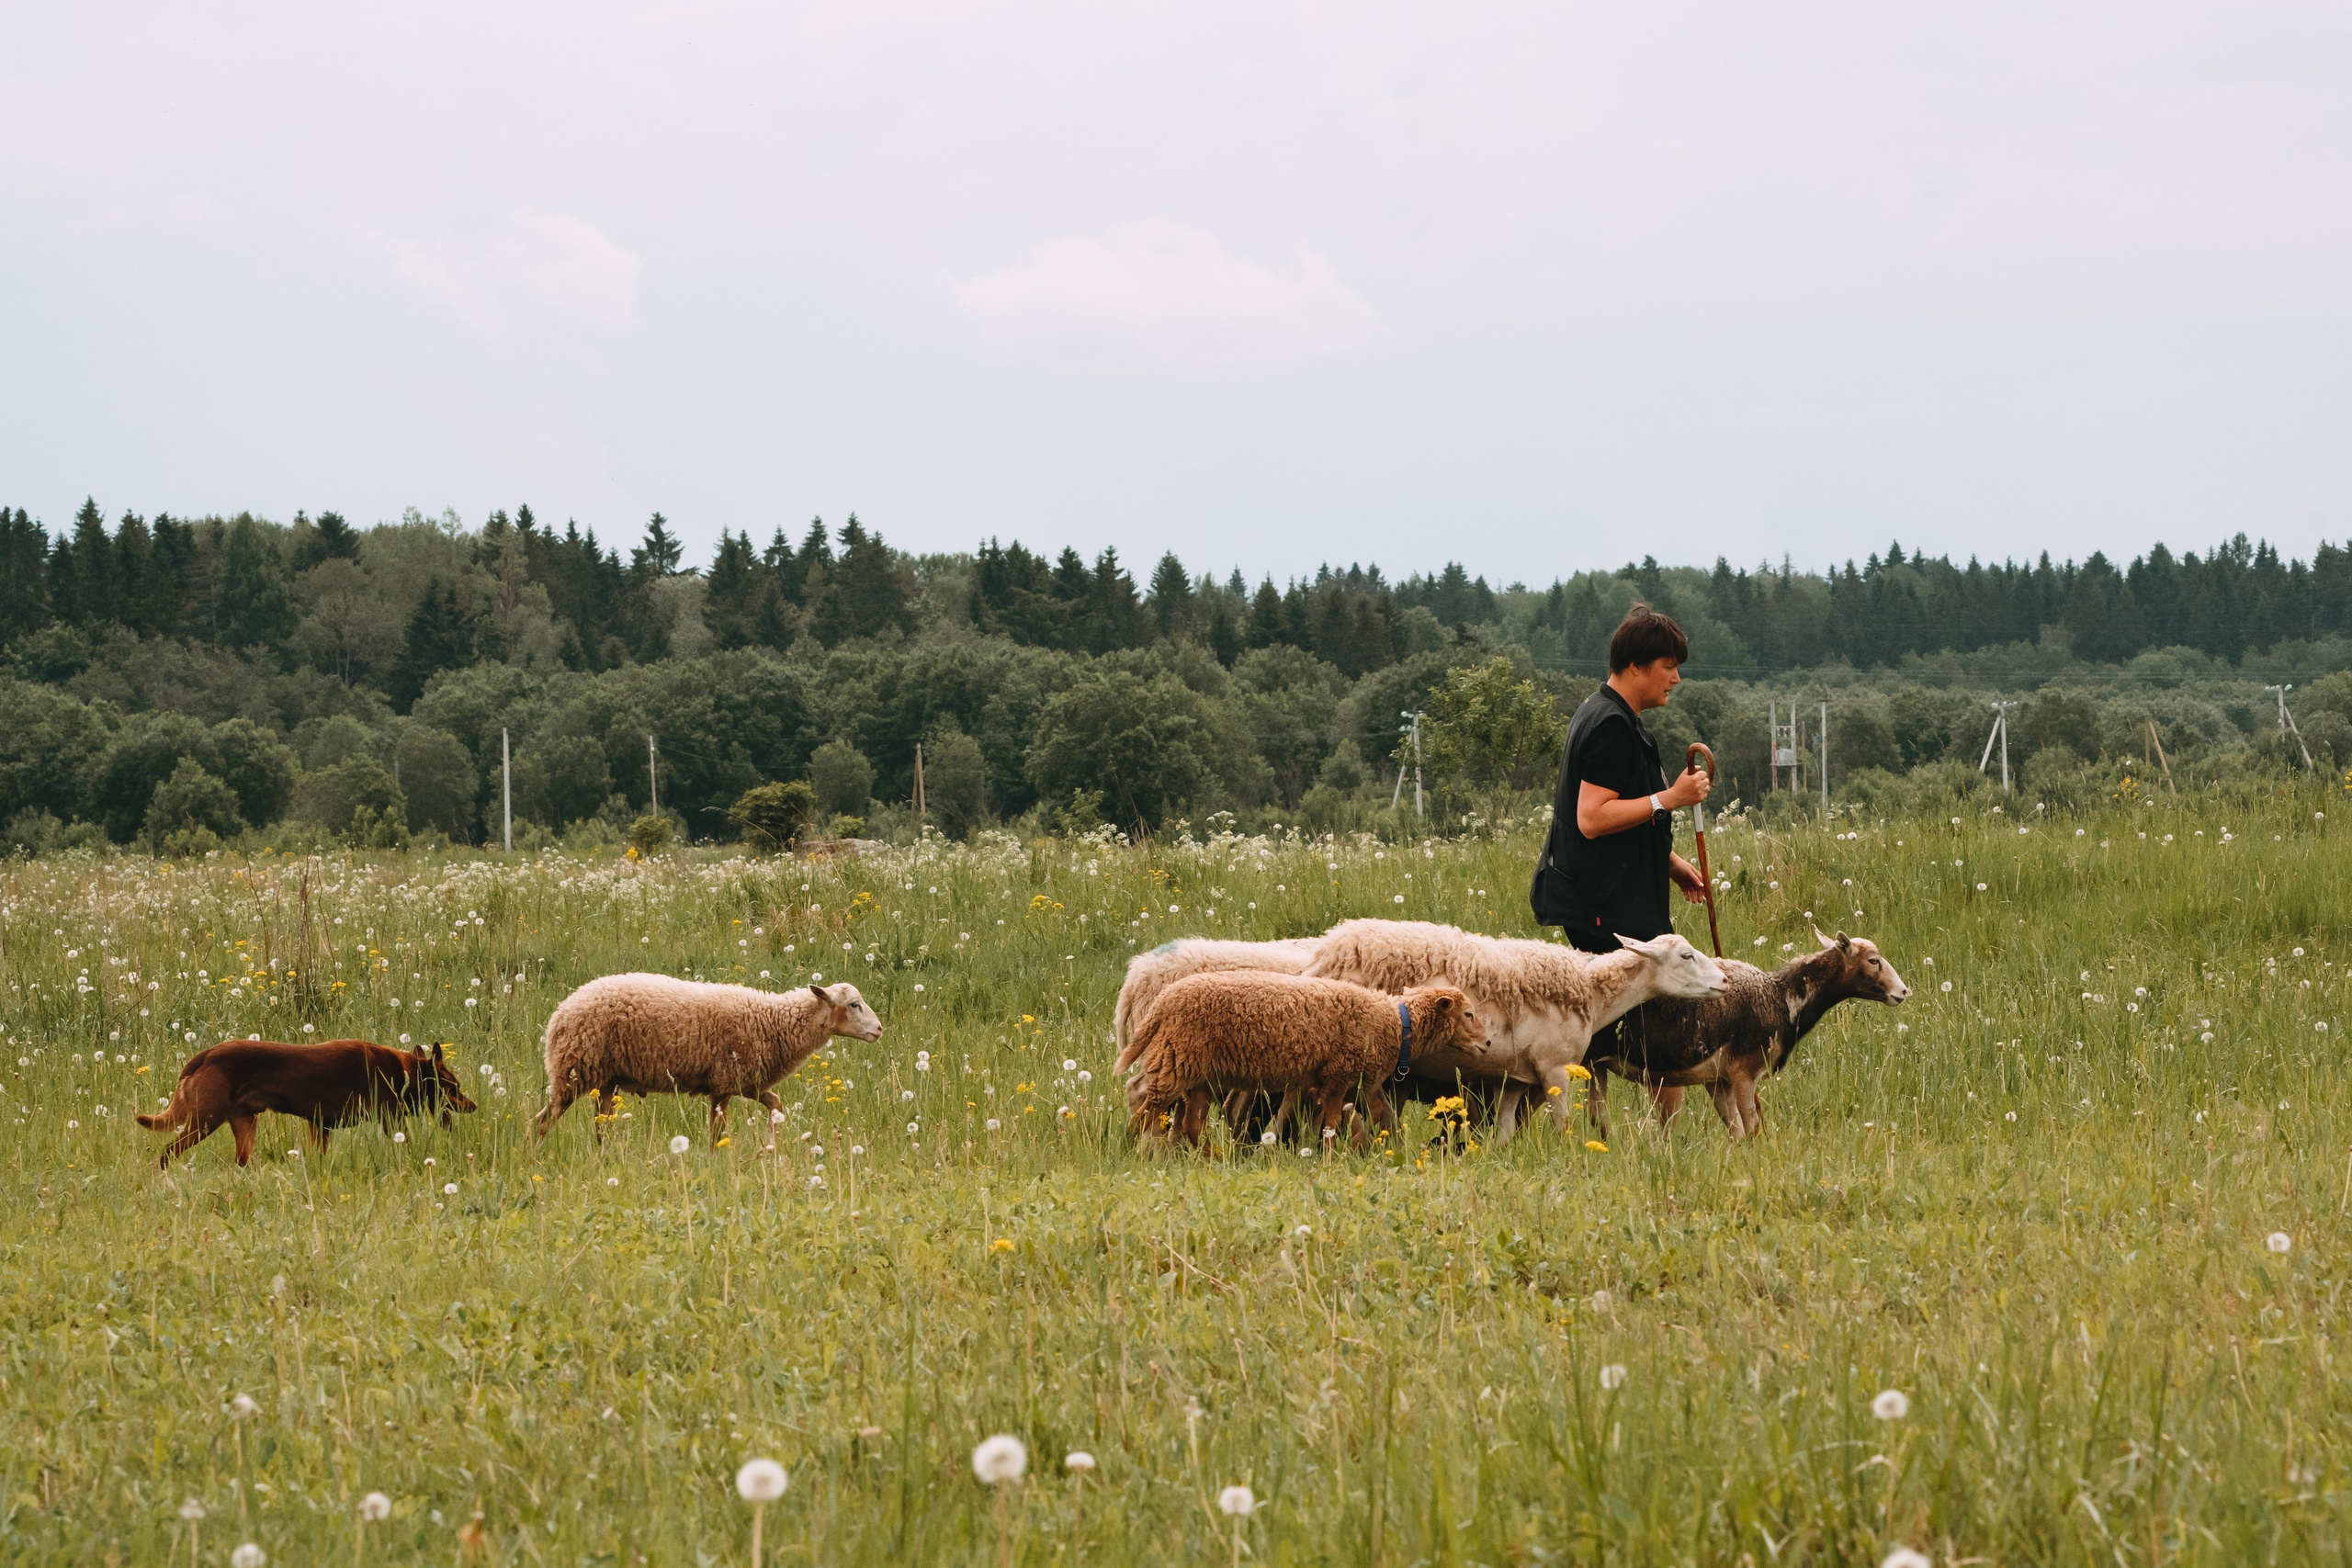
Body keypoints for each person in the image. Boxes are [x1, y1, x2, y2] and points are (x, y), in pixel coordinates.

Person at [1528, 602, 1712, 1118]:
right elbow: (1592, 817)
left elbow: (1619, 812)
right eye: (1668, 666)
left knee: (1605, 1023)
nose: (1676, 678)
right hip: (1605, 905)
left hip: (1603, 896)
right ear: (1637, 666)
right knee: (1666, 1022)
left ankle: (1598, 1125)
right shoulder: (1610, 725)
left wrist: (1670, 861)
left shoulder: (1607, 712)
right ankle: (1664, 1140)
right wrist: (1670, 799)